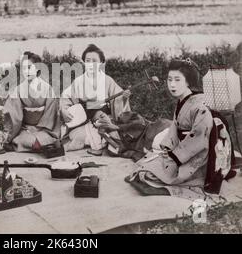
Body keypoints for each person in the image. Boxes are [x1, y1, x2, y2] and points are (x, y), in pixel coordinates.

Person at [126, 59, 217, 199]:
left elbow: (199, 137)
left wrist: (176, 157)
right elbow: (174, 129)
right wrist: (169, 150)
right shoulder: (182, 101)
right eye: (169, 80)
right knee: (144, 169)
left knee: (151, 175)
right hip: (181, 151)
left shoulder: (200, 106)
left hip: (196, 156)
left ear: (188, 82)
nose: (172, 84)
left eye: (177, 80)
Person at [60, 44, 131, 155]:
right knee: (76, 136)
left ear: (101, 63)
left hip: (106, 119)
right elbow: (66, 98)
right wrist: (64, 110)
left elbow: (118, 98)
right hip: (85, 120)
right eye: (88, 61)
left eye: (95, 61)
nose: (91, 64)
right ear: (83, 62)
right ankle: (105, 142)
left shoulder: (107, 80)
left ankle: (107, 142)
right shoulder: (79, 81)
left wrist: (123, 98)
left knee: (113, 131)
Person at [3, 51, 60, 152]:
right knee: (29, 141)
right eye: (24, 68)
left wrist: (39, 129)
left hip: (44, 129)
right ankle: (31, 145)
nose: (26, 71)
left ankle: (35, 145)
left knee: (40, 141)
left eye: (29, 67)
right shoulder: (18, 89)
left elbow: (51, 114)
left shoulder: (47, 88)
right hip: (25, 129)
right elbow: (14, 115)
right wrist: (10, 133)